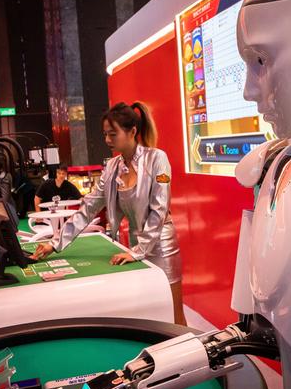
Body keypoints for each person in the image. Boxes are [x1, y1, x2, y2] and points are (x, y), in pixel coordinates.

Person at [33, 102, 186, 325]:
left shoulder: (157, 158)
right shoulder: (113, 166)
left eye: (112, 134)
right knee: (151, 316)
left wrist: (139, 251)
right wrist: (55, 243)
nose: (107, 140)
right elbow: (88, 208)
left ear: (132, 131)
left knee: (174, 316)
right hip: (133, 245)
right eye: (105, 134)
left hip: (161, 245)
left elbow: (159, 209)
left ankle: (198, 358)